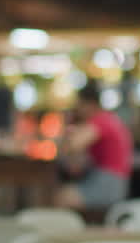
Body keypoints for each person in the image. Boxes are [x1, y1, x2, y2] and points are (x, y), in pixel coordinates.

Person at [54, 82, 133, 211]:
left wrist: (68, 125)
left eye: (79, 105)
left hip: (108, 182)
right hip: (115, 181)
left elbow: (74, 144)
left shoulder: (101, 120)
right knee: (66, 193)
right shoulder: (109, 118)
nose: (77, 110)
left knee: (63, 197)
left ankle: (68, 230)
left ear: (89, 104)